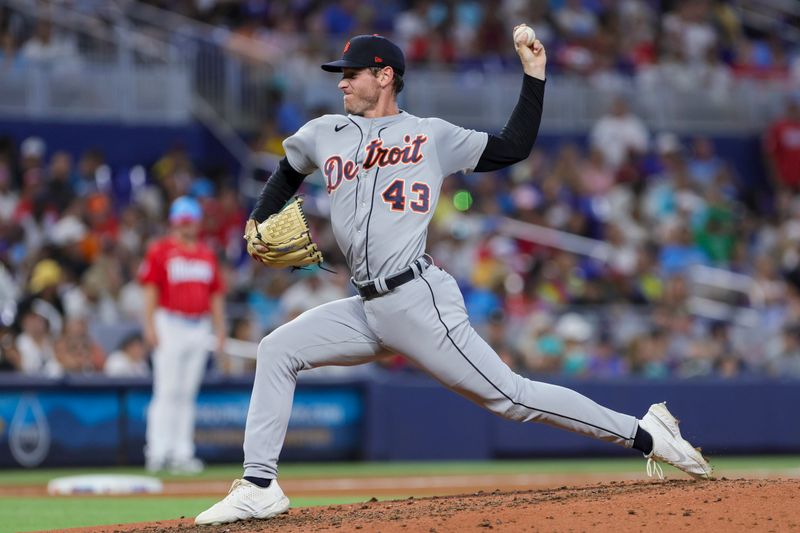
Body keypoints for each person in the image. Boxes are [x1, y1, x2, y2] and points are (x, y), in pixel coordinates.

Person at [196, 31, 711, 526]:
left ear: (385, 75)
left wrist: (534, 75)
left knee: (511, 397)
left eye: (352, 74)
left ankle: (646, 435)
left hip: (417, 300)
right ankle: (260, 487)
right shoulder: (323, 132)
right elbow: (289, 169)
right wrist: (259, 218)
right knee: (277, 350)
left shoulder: (431, 135)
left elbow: (512, 146)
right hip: (366, 306)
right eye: (341, 74)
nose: (342, 82)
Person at [138, 196, 226, 474]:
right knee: (166, 389)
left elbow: (215, 294)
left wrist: (220, 329)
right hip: (170, 322)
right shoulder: (161, 250)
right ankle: (157, 450)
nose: (187, 226)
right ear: (174, 222)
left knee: (187, 393)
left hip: (199, 325)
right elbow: (150, 289)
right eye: (183, 221)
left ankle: (181, 452)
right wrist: (149, 326)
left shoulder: (206, 253)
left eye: (191, 221)